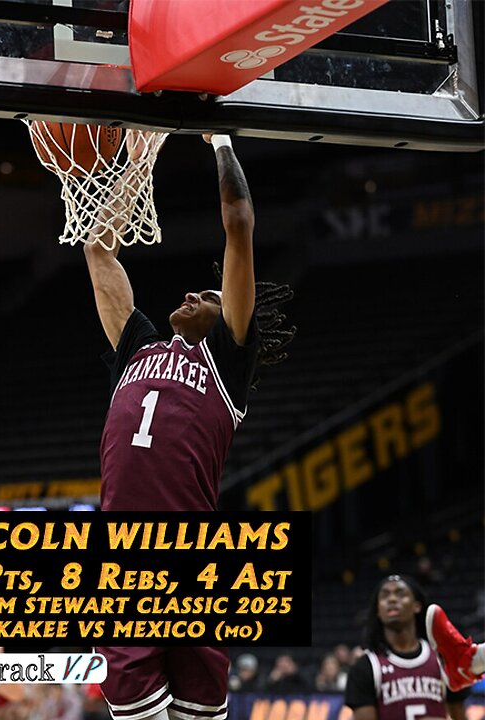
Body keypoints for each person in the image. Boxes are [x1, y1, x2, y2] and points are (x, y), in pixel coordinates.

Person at [80, 135, 294, 720]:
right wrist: (138, 160)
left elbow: (239, 224)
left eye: (206, 294)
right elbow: (100, 254)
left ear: (227, 313)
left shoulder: (227, 360)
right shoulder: (137, 347)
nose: (190, 294)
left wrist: (219, 141)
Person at [344, 575, 480, 720]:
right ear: (378, 610)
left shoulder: (442, 658)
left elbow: (460, 716)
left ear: (417, 606)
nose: (392, 599)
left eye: (400, 594)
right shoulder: (365, 667)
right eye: (384, 596)